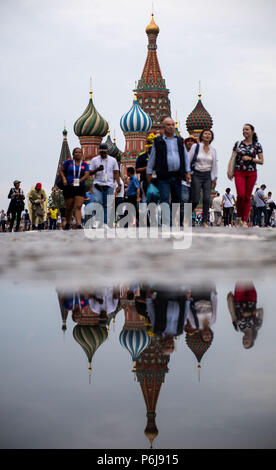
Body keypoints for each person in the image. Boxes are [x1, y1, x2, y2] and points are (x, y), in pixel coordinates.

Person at [146, 117, 191, 226]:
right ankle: (167, 223)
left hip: (177, 174)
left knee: (177, 199)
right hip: (163, 175)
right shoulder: (158, 141)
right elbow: (152, 157)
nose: (171, 127)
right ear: (164, 127)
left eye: (172, 125)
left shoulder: (180, 141)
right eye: (168, 125)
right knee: (165, 199)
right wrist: (149, 171)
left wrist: (188, 172)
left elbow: (185, 157)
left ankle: (174, 222)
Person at [227, 123, 263, 227]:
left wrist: (250, 158)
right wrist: (229, 170)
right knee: (241, 195)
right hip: (239, 172)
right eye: (243, 130)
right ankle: (238, 217)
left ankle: (244, 220)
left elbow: (261, 161)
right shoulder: (238, 144)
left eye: (247, 129)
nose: (244, 131)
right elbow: (232, 157)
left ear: (252, 131)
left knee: (247, 197)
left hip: (251, 173)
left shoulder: (257, 145)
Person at [190, 129, 218, 227]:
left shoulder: (213, 150)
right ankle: (187, 214)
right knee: (196, 199)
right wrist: (188, 173)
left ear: (211, 137)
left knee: (207, 198)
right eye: (205, 133)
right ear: (201, 136)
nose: (207, 135)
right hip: (196, 174)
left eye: (209, 134)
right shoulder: (195, 147)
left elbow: (214, 165)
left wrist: (214, 178)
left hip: (207, 176)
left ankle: (205, 221)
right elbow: (189, 160)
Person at [90, 143, 121, 227]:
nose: (103, 154)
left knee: (107, 205)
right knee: (98, 202)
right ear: (99, 151)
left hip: (109, 185)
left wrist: (119, 184)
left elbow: (116, 173)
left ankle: (104, 223)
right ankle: (96, 221)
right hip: (97, 184)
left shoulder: (113, 160)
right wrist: (97, 169)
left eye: (104, 152)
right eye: (101, 152)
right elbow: (90, 173)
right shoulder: (94, 160)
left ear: (107, 151)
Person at [59, 147, 90, 229]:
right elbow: (61, 170)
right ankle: (68, 223)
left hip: (80, 187)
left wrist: (79, 181)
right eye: (76, 152)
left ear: (82, 154)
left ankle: (79, 224)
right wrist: (64, 179)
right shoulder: (68, 162)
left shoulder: (84, 164)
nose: (78, 154)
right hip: (69, 186)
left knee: (78, 206)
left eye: (80, 152)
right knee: (69, 206)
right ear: (73, 154)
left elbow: (87, 175)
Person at [227, 282, 263, 349]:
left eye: (243, 342)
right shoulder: (257, 326)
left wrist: (229, 301)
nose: (244, 341)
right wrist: (251, 313)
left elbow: (232, 314)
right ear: (252, 340)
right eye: (246, 342)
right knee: (248, 278)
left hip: (238, 300)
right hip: (252, 299)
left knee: (240, 279)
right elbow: (261, 310)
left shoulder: (237, 328)